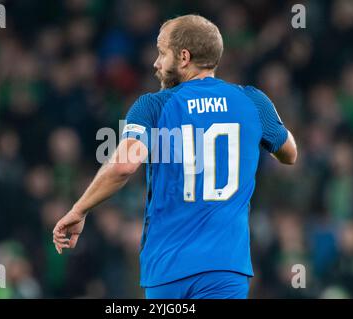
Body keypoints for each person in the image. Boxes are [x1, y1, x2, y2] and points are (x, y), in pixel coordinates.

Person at [52, 14, 297, 299]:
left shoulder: (154, 105)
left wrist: (79, 209)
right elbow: (289, 153)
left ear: (183, 57)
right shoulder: (253, 101)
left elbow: (124, 165)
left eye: (161, 53)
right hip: (225, 267)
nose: (156, 63)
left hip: (169, 267)